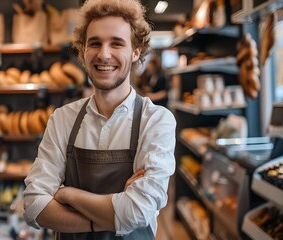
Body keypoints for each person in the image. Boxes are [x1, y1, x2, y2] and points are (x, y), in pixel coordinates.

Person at [23, 0, 176, 239]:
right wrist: (108, 218)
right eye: (95, 43)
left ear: (136, 52)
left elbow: (137, 211)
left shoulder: (156, 120)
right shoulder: (63, 119)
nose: (104, 54)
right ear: (83, 51)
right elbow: (34, 205)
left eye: (117, 43)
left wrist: (67, 195)